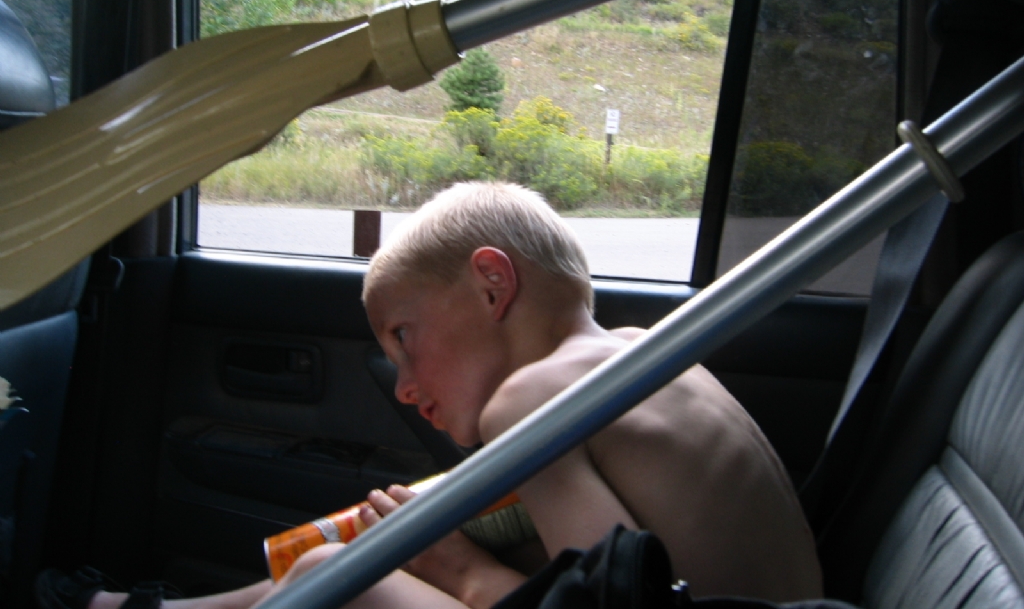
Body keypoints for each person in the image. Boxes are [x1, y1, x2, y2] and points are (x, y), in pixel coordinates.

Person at [39, 181, 822, 609]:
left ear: (491, 284)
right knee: (417, 538)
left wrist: (451, 565)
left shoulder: (535, 400)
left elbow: (611, 606)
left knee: (334, 578)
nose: (406, 388)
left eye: (404, 337)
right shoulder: (638, 357)